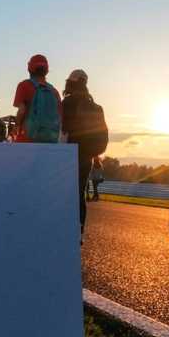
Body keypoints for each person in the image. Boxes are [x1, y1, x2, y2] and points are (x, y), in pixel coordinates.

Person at [60, 68, 109, 237]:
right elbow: (101, 137)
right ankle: (78, 232)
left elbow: (61, 129)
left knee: (62, 194)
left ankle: (61, 231)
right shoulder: (96, 107)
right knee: (79, 193)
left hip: (66, 155)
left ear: (71, 83)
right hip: (85, 157)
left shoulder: (66, 104)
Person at [13, 54, 62, 143]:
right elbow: (60, 115)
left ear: (30, 68)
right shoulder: (54, 91)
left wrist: (16, 125)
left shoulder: (24, 85)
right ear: (46, 70)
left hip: (27, 139)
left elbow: (22, 110)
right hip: (50, 139)